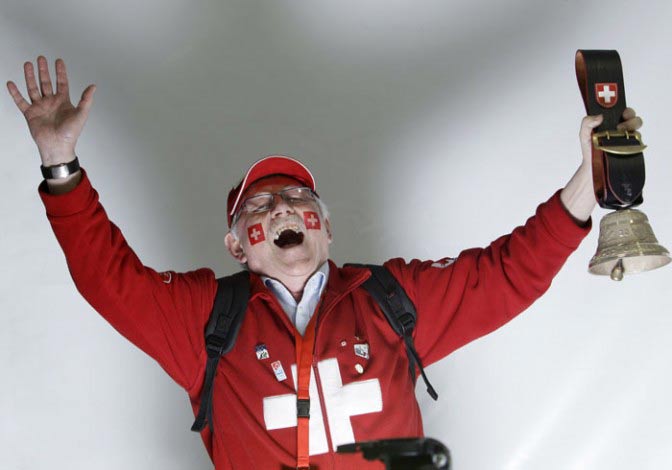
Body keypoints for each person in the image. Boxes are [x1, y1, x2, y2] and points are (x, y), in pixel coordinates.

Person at [7, 56, 643, 469]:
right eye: (261, 205)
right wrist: (60, 164)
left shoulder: (393, 299)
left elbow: (507, 273)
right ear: (238, 245)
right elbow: (107, 277)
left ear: (328, 228)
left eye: (298, 199)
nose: (284, 207)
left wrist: (590, 178)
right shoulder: (204, 319)